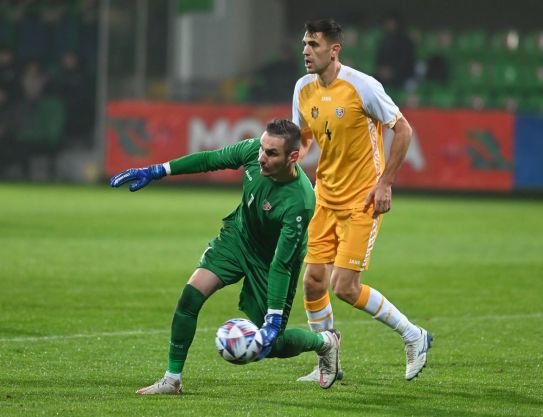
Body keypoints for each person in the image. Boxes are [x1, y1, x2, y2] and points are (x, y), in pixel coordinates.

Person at [110, 119, 341, 394]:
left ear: (293, 157)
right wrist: (159, 170)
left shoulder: (300, 201)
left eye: (271, 154)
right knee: (190, 297)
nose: (262, 158)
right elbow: (211, 159)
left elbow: (281, 263)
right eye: (262, 149)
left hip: (270, 263)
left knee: (270, 345)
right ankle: (172, 379)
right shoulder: (254, 151)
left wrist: (275, 319)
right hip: (238, 238)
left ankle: (325, 342)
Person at [291, 19, 432, 383]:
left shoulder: (362, 86)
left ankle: (414, 335)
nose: (306, 51)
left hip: (361, 200)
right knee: (312, 282)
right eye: (305, 43)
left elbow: (403, 129)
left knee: (344, 287)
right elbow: (305, 136)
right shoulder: (302, 88)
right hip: (325, 198)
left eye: (314, 45)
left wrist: (385, 183)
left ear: (334, 50)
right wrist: (296, 153)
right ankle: (328, 363)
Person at [375, 12, 416, 89]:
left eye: (392, 23)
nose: (390, 25)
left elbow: (406, 60)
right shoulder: (383, 40)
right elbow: (379, 59)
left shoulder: (405, 41)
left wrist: (392, 71)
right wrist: (381, 70)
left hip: (403, 75)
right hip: (383, 75)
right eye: (388, 23)